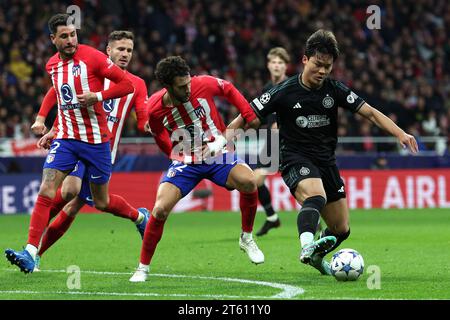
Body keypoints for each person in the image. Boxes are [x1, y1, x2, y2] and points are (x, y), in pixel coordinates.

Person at [232, 29, 418, 275]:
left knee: (341, 229)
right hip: (293, 156)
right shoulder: (283, 91)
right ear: (305, 59)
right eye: (318, 65)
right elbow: (245, 117)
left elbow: (370, 112)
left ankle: (317, 257)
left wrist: (400, 133)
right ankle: (307, 246)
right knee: (315, 196)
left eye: (327, 67)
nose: (322, 71)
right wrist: (221, 140)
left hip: (326, 161)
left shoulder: (334, 89)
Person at [5, 14, 137, 274]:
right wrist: (43, 120)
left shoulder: (94, 57)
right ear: (53, 39)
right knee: (48, 189)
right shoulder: (52, 65)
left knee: (101, 201)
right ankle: (31, 252)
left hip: (96, 142)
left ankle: (139, 216)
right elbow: (56, 91)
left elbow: (127, 84)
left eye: (72, 34)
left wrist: (96, 96)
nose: (70, 40)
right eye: (63, 36)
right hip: (66, 139)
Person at [129, 56, 264, 282]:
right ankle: (143, 267)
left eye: (188, 82)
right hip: (186, 161)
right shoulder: (154, 108)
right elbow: (158, 134)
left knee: (249, 182)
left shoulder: (201, 83)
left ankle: (246, 237)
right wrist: (173, 154)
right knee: (160, 209)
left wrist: (248, 115)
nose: (188, 88)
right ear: (168, 86)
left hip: (217, 152)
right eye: (182, 86)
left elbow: (228, 89)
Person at [29, 30, 151, 271]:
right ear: (108, 50)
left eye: (129, 50)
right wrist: (53, 129)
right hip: (76, 140)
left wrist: (150, 124)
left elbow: (142, 117)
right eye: (120, 49)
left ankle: (139, 216)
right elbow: (63, 98)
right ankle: (33, 251)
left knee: (84, 203)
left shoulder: (136, 84)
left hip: (103, 150)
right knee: (69, 191)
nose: (125, 54)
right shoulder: (90, 70)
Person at [255, 47, 290, 237]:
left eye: (280, 63)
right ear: (269, 65)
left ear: (286, 66)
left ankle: (316, 219)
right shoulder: (267, 88)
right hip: (272, 140)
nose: (277, 66)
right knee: (256, 179)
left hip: (290, 140)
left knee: (300, 184)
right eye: (274, 62)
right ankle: (272, 218)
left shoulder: (292, 86)